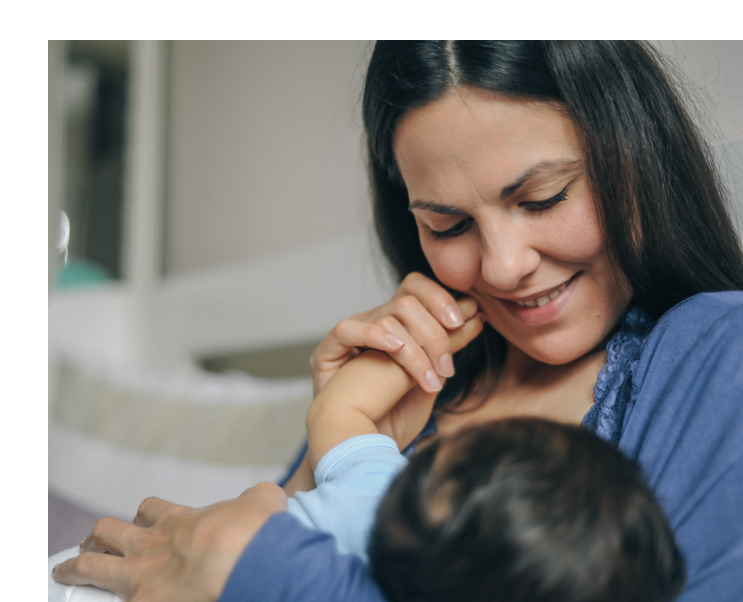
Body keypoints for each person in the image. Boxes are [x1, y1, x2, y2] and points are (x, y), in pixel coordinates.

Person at [53, 41, 743, 602]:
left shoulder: (721, 353)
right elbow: (252, 546)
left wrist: (267, 576)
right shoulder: (408, 392)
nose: (501, 267)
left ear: (636, 157)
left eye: (542, 198)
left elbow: (244, 566)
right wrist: (343, 434)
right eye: (448, 224)